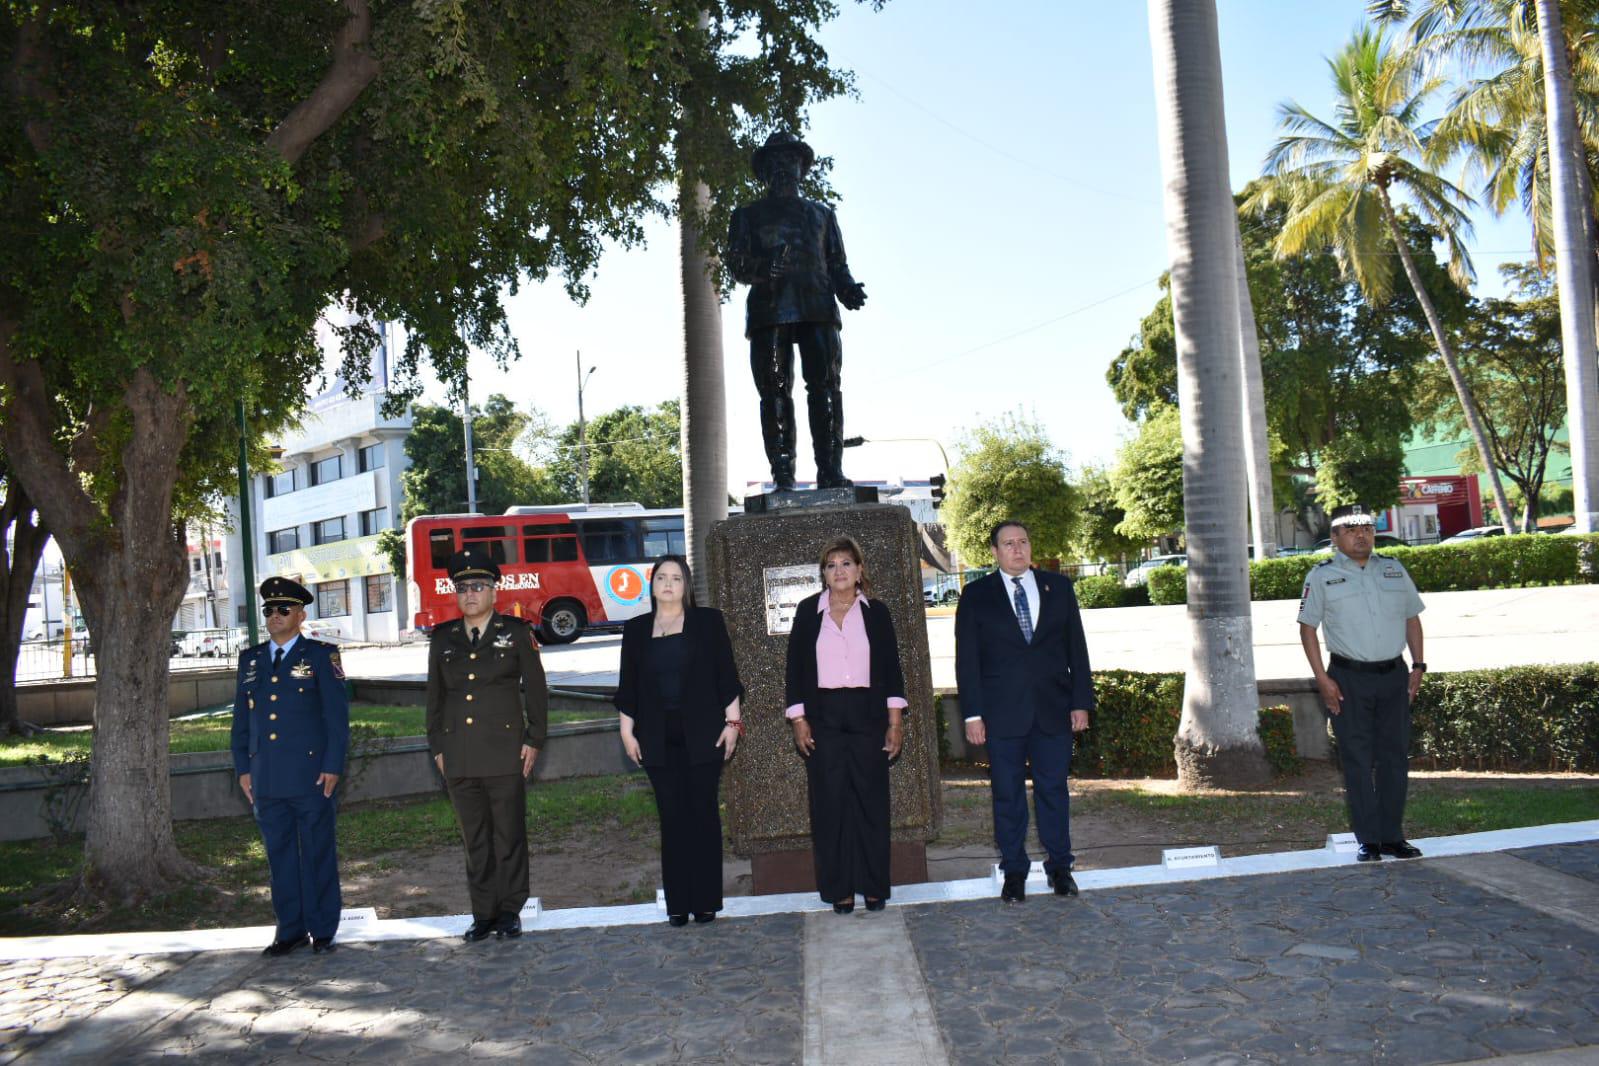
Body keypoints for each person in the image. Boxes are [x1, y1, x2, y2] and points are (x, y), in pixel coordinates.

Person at [955, 521, 1093, 904]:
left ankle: (1060, 869)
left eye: (1023, 542)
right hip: (1000, 715)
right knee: (1008, 795)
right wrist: (972, 715)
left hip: (1053, 710)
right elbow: (968, 661)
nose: (1018, 549)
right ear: (995, 552)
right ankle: (1014, 872)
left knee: (1054, 791)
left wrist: (1081, 701)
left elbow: (1076, 649)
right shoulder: (977, 595)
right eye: (1008, 544)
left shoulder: (1059, 588)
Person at [727, 131, 868, 491]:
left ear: (801, 168)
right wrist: (763, 267)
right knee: (774, 391)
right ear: (765, 172)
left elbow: (836, 262)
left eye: (790, 160)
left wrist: (848, 289)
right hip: (769, 312)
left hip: (818, 307)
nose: (783, 167)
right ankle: (784, 473)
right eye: (775, 162)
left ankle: (830, 470)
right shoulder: (746, 215)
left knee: (826, 388)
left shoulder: (822, 214)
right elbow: (738, 264)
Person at [614, 555, 745, 926]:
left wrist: (733, 724)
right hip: (656, 738)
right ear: (652, 584)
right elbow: (629, 687)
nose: (668, 584)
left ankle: (705, 902)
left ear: (687, 585)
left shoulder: (708, 622)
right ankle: (677, 903)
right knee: (671, 819)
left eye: (676, 578)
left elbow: (726, 676)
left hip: (704, 734)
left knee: (702, 815)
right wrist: (626, 731)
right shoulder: (636, 629)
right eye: (661, 578)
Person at [427, 548, 548, 941]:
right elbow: (435, 697)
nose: (470, 594)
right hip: (458, 754)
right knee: (474, 838)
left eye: (478, 586)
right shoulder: (443, 638)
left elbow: (536, 691)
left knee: (508, 834)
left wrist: (534, 738)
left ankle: (510, 909)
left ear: (494, 591)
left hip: (504, 751)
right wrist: (437, 748)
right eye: (462, 587)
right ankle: (483, 913)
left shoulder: (516, 633)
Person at [1298, 504, 1427, 863]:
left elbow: (1412, 619)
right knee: (1356, 760)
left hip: (1394, 676)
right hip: (1348, 679)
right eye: (1351, 529)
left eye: (1367, 528)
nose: (1361, 535)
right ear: (1335, 536)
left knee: (1394, 759)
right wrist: (1322, 679)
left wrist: (1417, 666)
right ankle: (1368, 840)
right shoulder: (1321, 575)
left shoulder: (1393, 569)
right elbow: (1307, 629)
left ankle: (1392, 837)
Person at [785, 536, 907, 913]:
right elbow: (794, 671)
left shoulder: (877, 613)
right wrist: (799, 719)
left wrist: (895, 723)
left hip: (868, 716)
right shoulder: (808, 612)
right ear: (823, 574)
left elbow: (891, 672)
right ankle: (838, 889)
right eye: (831, 565)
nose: (839, 571)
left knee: (871, 803)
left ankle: (873, 886)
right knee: (830, 805)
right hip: (823, 718)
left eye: (846, 564)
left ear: (859, 570)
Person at [231, 576, 350, 956]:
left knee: (316, 851)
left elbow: (336, 717)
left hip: (311, 775)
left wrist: (333, 765)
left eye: (283, 609)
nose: (274, 616)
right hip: (265, 777)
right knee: (279, 855)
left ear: (300, 614)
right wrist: (242, 768)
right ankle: (290, 929)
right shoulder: (250, 660)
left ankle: (323, 928)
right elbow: (241, 721)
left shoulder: (321, 655)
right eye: (269, 610)